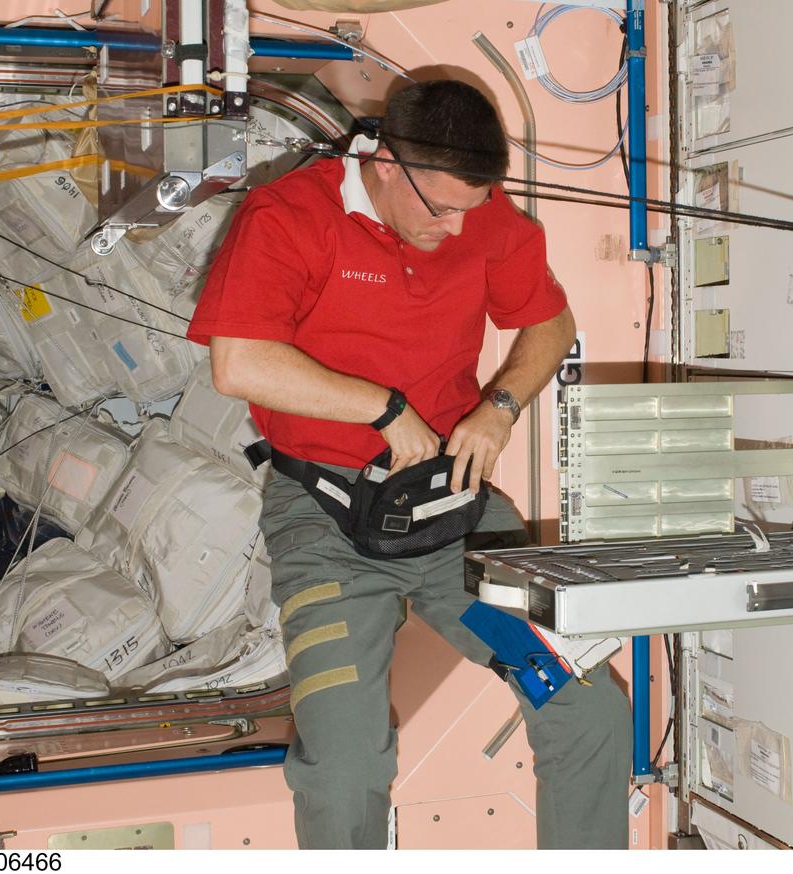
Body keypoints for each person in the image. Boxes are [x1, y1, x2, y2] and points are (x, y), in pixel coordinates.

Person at [188, 79, 631, 850]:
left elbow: (551, 325)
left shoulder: (476, 215)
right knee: (343, 765)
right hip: (326, 524)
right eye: (442, 208)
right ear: (386, 163)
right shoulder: (287, 216)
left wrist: (499, 408)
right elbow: (240, 363)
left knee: (586, 706)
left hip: (455, 515)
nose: (456, 226)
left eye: (471, 207)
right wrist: (384, 410)